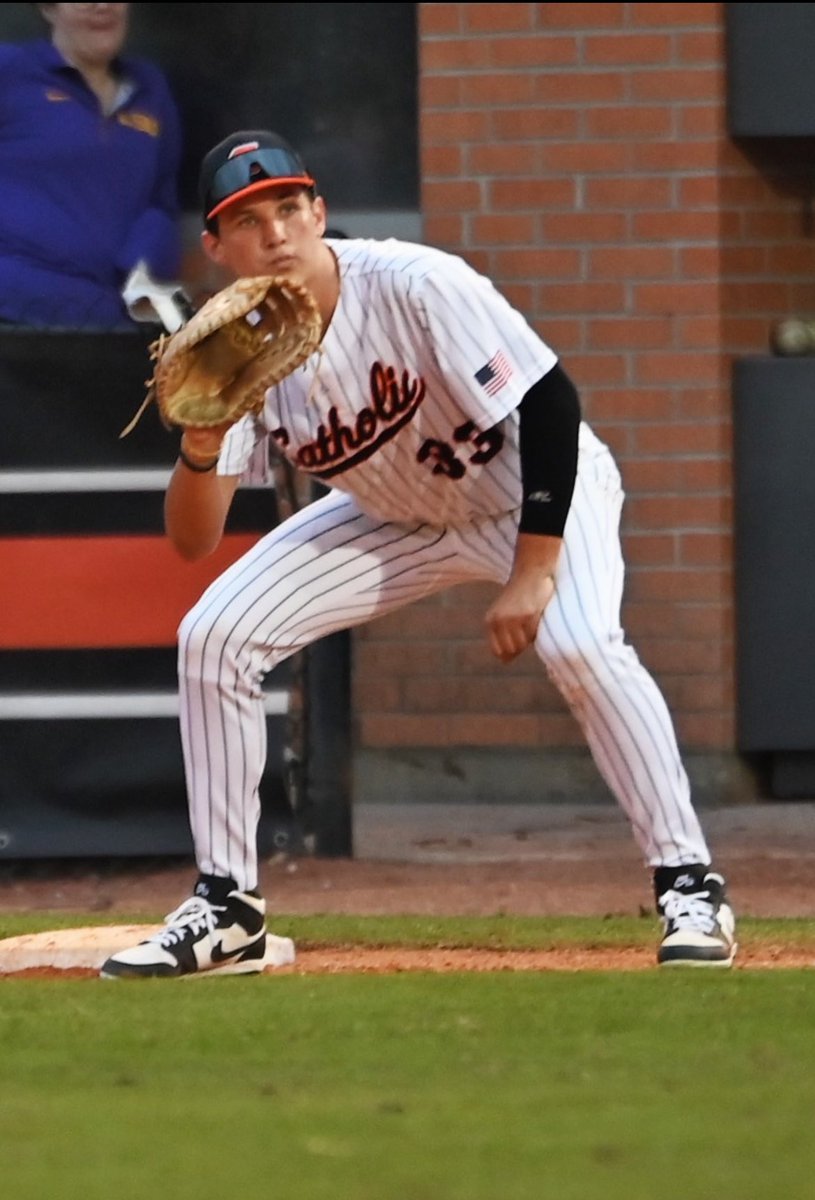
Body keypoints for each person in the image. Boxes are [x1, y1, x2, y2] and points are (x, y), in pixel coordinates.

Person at [100, 129, 737, 979]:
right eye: (249, 220)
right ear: (216, 248)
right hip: (393, 515)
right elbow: (192, 538)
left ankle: (689, 884)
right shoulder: (237, 350)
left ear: (319, 211)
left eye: (290, 207)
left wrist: (536, 567)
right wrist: (203, 443)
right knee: (213, 634)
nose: (278, 233)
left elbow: (549, 401)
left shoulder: (414, 282)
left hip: (532, 495)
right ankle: (227, 907)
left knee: (580, 644)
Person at [0, 3, 182, 328]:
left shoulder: (150, 88)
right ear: (48, 8)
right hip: (12, 308)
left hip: (106, 321)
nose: (103, 6)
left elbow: (161, 202)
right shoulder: (11, 71)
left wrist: (142, 269)